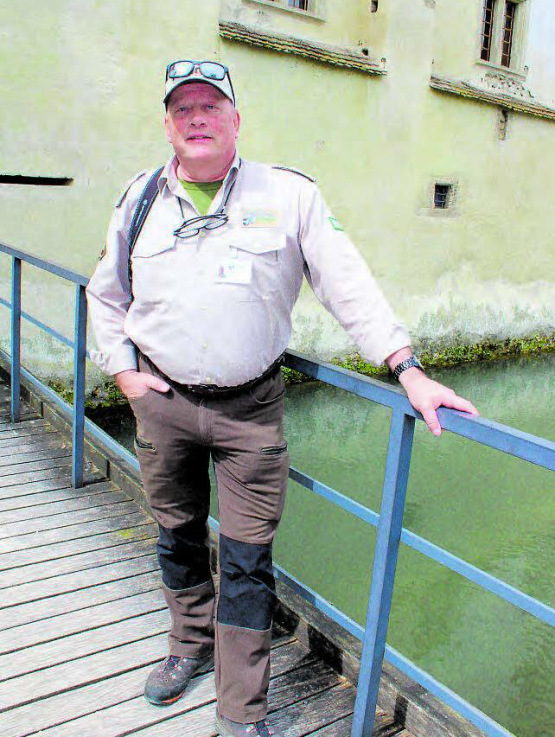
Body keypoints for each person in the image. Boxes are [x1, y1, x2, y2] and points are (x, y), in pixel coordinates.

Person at [86, 59, 479, 737]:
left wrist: (406, 367)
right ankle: (187, 645)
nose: (197, 118)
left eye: (211, 106)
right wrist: (122, 371)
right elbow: (105, 293)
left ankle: (241, 712)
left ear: (236, 120)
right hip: (163, 401)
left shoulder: (288, 194)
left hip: (250, 412)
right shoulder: (139, 196)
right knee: (176, 534)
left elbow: (347, 284)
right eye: (183, 109)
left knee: (246, 559)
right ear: (168, 125)